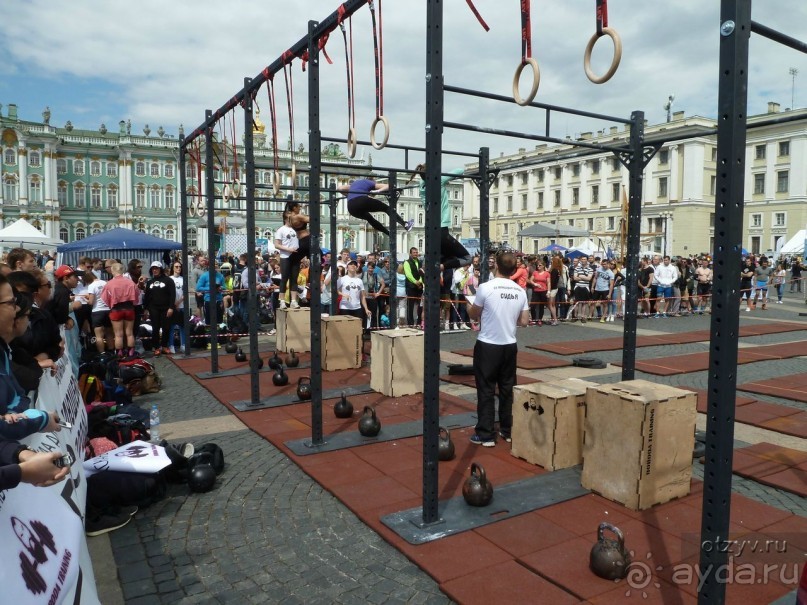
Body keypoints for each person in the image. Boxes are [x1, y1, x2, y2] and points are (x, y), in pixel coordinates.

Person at [467, 251, 530, 446]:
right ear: (514, 269)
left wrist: (469, 304)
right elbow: (525, 321)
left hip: (488, 345)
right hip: (509, 345)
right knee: (507, 389)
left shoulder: (486, 288)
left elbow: (474, 314)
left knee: (485, 389)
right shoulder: (520, 291)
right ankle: (507, 429)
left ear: (496, 267)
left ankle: (485, 434)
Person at [338, 178, 414, 236]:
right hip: (362, 200)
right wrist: (378, 191)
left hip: (351, 207)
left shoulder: (354, 184)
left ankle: (388, 234)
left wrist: (348, 196)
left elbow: (340, 188)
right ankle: (405, 224)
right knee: (386, 208)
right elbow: (390, 186)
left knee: (369, 218)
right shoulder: (369, 182)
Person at [101, 263, 139, 357]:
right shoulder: (130, 282)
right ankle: (131, 352)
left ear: (113, 270)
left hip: (116, 310)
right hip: (129, 308)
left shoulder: (109, 283)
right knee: (129, 333)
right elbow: (137, 295)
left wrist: (111, 304)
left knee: (118, 335)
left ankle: (119, 353)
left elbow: (104, 298)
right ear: (122, 270)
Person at [143, 261, 176, 355]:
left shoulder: (168, 280)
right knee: (155, 327)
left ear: (160, 269)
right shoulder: (150, 282)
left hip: (166, 307)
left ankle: (164, 346)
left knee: (166, 327)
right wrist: (145, 308)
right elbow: (147, 296)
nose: (155, 270)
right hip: (154, 308)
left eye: (156, 268)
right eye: (153, 269)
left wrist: (171, 307)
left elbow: (172, 294)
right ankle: (156, 347)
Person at [275, 211, 300, 310]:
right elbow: (277, 244)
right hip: (285, 256)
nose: (293, 220)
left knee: (294, 279)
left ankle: (293, 301)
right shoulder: (281, 230)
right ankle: (282, 301)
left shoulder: (295, 229)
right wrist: (288, 249)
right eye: (291, 218)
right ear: (286, 219)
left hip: (295, 256)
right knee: (284, 278)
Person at [84, 270, 111, 353]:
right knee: (109, 334)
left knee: (99, 336)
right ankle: (112, 352)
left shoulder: (91, 286)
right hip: (108, 310)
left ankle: (102, 353)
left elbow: (91, 302)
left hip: (97, 311)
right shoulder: (104, 283)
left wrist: (86, 299)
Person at [403, 247, 424, 327]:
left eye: (416, 252)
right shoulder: (407, 262)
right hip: (411, 287)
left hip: (419, 287)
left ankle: (419, 322)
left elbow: (422, 273)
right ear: (410, 253)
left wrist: (420, 281)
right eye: (414, 252)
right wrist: (415, 282)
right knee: (410, 306)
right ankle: (410, 323)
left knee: (420, 305)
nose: (416, 254)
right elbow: (408, 274)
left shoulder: (420, 262)